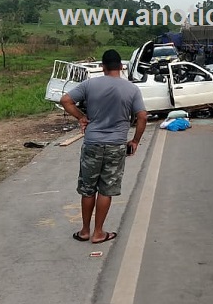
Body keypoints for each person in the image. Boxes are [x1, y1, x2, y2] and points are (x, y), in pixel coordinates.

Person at [60, 49, 148, 244]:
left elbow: (65, 100)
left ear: (103, 67)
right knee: (106, 189)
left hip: (92, 143)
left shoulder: (90, 84)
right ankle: (98, 232)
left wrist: (81, 117)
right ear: (122, 67)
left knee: (88, 188)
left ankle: (84, 231)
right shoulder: (132, 89)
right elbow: (142, 116)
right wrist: (135, 141)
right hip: (116, 145)